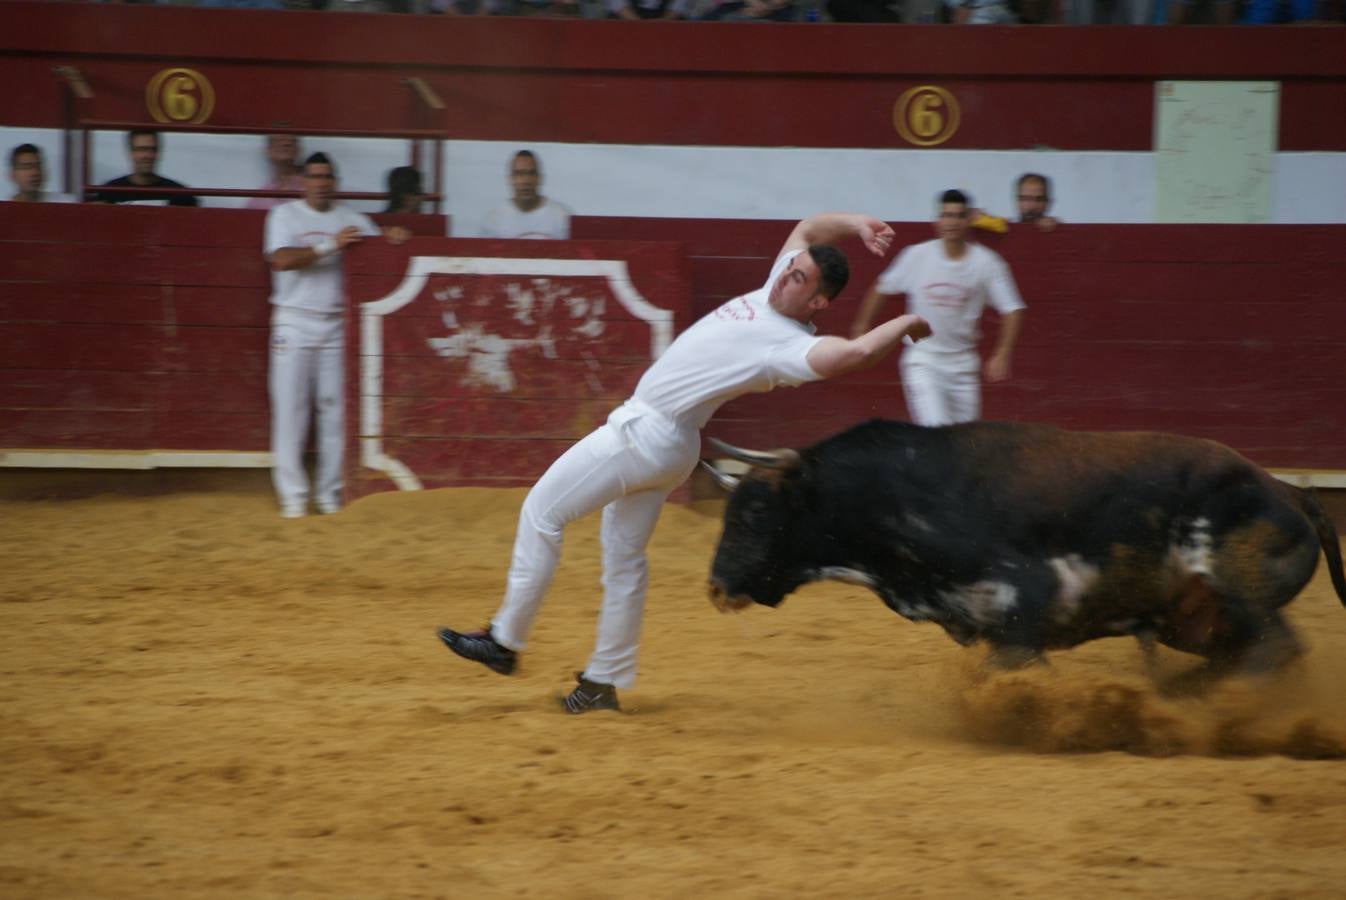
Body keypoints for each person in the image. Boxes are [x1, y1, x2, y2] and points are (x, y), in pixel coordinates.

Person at [439, 212, 933, 713]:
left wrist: (905, 321)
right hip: (673, 444)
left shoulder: (788, 347)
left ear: (818, 302)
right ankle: (601, 684)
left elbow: (851, 355)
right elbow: (808, 228)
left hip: (643, 434)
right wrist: (858, 224)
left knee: (542, 512)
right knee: (624, 559)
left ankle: (505, 640)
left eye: (800, 277)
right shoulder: (774, 289)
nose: (787, 274)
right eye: (791, 268)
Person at [264, 152, 411, 519]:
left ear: (335, 180)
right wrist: (330, 245)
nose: (321, 182)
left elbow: (382, 249)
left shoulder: (352, 219)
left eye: (327, 176)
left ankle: (329, 494)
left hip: (335, 326)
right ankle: (294, 498)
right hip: (293, 322)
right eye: (314, 176)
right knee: (291, 412)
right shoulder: (283, 216)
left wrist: (394, 236)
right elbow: (281, 259)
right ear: (303, 181)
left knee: (333, 413)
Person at [850, 189, 1025, 428]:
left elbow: (1013, 308)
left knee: (965, 439)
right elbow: (882, 286)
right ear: (937, 220)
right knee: (936, 431)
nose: (951, 222)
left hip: (964, 364)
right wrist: (861, 326)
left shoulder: (987, 263)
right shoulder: (917, 255)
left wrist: (1003, 352)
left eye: (958, 216)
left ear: (969, 220)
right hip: (924, 360)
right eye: (946, 215)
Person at [479, 150, 571, 239]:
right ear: (510, 179)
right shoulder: (494, 221)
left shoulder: (562, 218)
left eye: (531, 173)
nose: (526, 180)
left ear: (540, 178)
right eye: (519, 173)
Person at [93, 130, 198, 206]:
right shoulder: (109, 192)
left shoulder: (181, 195)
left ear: (159, 152)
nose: (147, 155)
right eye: (141, 149)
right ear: (130, 153)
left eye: (152, 149)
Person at [246, 133, 304, 211]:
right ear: (268, 150)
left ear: (298, 150)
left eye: (291, 141)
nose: (285, 143)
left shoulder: (312, 189)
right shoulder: (257, 200)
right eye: (278, 140)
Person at [7, 144, 75, 203]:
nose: (35, 173)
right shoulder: (5, 210)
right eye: (26, 167)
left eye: (38, 166)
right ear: (12, 175)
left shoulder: (64, 204)